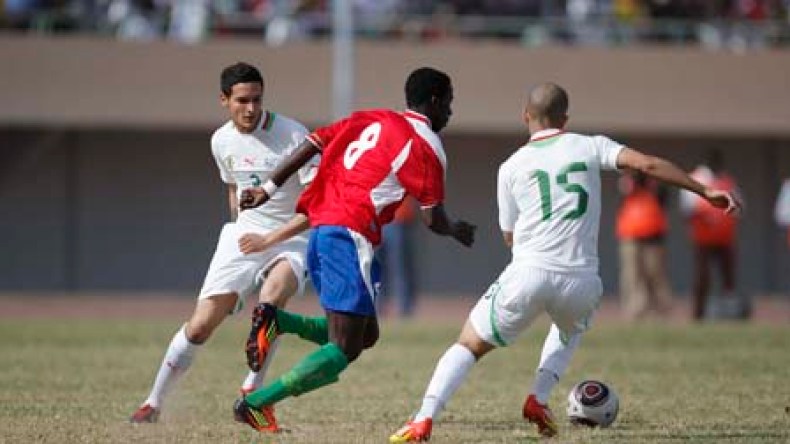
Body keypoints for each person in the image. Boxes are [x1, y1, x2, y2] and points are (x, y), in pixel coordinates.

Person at [389, 82, 741, 442]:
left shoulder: (510, 167)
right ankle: (538, 398)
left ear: (525, 116)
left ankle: (423, 419)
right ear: (565, 119)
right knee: (569, 328)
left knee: (468, 344)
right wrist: (705, 190)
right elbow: (648, 164)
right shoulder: (591, 146)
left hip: (529, 272)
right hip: (582, 281)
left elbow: (509, 236)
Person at [231, 67, 476, 433]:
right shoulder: (425, 144)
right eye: (449, 103)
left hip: (322, 228)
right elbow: (432, 218)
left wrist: (267, 188)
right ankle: (255, 404)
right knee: (345, 346)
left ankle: (277, 321)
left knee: (366, 335)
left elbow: (313, 143)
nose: (451, 112)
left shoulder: (373, 118)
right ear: (435, 101)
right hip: (350, 235)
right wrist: (456, 230)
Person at [129, 62, 318, 423]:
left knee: (270, 303)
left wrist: (269, 239)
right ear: (224, 100)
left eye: (257, 99)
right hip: (243, 237)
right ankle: (153, 403)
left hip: (292, 238)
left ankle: (252, 394)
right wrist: (240, 228)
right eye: (242, 100)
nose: (251, 108)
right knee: (201, 324)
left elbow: (317, 206)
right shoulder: (221, 141)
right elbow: (234, 187)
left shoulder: (295, 135)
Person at [679, 149, 746, 320]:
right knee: (703, 276)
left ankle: (729, 313)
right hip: (703, 238)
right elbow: (687, 209)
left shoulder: (727, 180)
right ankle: (698, 314)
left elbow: (740, 204)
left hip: (725, 238)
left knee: (728, 278)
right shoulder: (697, 178)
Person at [616, 170, 674, 320]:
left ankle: (661, 311)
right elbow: (622, 198)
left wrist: (650, 180)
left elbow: (664, 198)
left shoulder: (656, 186)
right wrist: (633, 180)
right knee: (632, 274)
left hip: (653, 237)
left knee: (655, 274)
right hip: (630, 236)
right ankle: (634, 311)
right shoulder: (628, 184)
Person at [378, 196, 419, 318]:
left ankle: (405, 308)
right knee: (377, 267)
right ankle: (378, 307)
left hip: (399, 220)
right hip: (377, 220)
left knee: (401, 267)